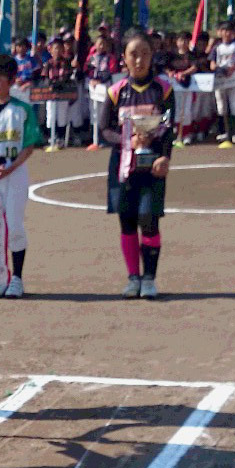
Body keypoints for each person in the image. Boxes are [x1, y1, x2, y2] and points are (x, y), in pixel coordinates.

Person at [99, 30, 175, 300]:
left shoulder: (163, 90)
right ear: (124, 59)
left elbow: (168, 127)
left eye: (144, 53)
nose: (139, 60)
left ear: (152, 55)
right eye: (133, 54)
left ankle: (150, 278)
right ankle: (133, 278)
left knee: (149, 219)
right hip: (123, 167)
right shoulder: (115, 91)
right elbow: (103, 129)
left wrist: (165, 157)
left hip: (152, 166)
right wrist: (126, 140)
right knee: (127, 221)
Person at [0, 54, 43, 299]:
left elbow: (29, 145)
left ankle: (17, 277)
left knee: (13, 225)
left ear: (10, 81)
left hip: (15, 173)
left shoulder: (22, 109)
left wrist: (11, 167)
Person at [210, 21, 235, 144]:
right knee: (221, 106)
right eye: (224, 31)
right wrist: (219, 69)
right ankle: (223, 132)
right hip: (220, 78)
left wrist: (232, 69)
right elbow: (212, 64)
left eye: (229, 31)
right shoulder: (217, 47)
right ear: (220, 32)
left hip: (234, 77)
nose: (227, 33)